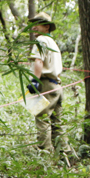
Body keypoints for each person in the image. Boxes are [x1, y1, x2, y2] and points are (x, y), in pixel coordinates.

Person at [27, 12, 67, 152]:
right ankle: (65, 153)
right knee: (57, 122)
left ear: (47, 27)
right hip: (57, 86)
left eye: (38, 24)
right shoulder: (52, 43)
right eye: (33, 24)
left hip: (46, 85)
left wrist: (35, 81)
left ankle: (44, 152)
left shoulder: (41, 41)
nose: (34, 27)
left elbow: (39, 61)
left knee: (42, 118)